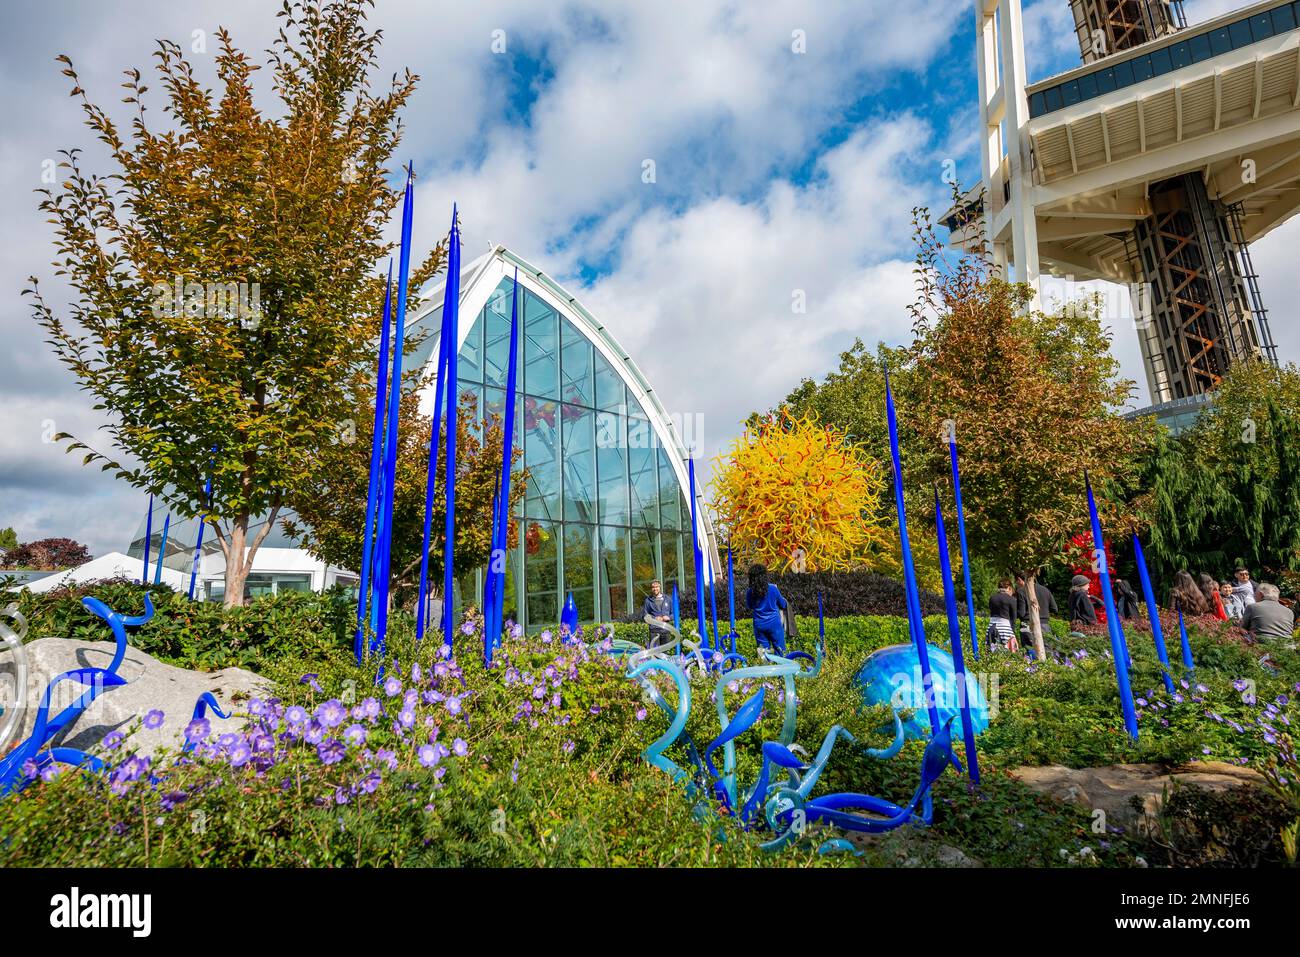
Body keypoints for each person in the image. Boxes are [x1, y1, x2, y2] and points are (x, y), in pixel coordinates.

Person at [745, 563, 788, 655]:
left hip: (759, 624)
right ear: (764, 575)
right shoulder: (773, 588)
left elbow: (750, 606)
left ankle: (765, 668)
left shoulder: (750, 592)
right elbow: (783, 605)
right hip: (774, 624)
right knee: (780, 651)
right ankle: (781, 668)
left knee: (763, 655)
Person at [1014, 571, 1059, 642]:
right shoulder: (1045, 590)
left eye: (1016, 582)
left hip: (1027, 624)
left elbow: (1021, 613)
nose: (1016, 584)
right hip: (1045, 625)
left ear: (1019, 579)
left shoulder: (1021, 591)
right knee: (1047, 650)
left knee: (1030, 650)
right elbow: (1055, 609)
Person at [987, 580, 1019, 652]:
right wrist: (1013, 633)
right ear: (1009, 588)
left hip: (991, 626)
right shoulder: (1012, 600)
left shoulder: (992, 598)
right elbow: (1013, 619)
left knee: (992, 651)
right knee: (1007, 652)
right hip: (1005, 628)